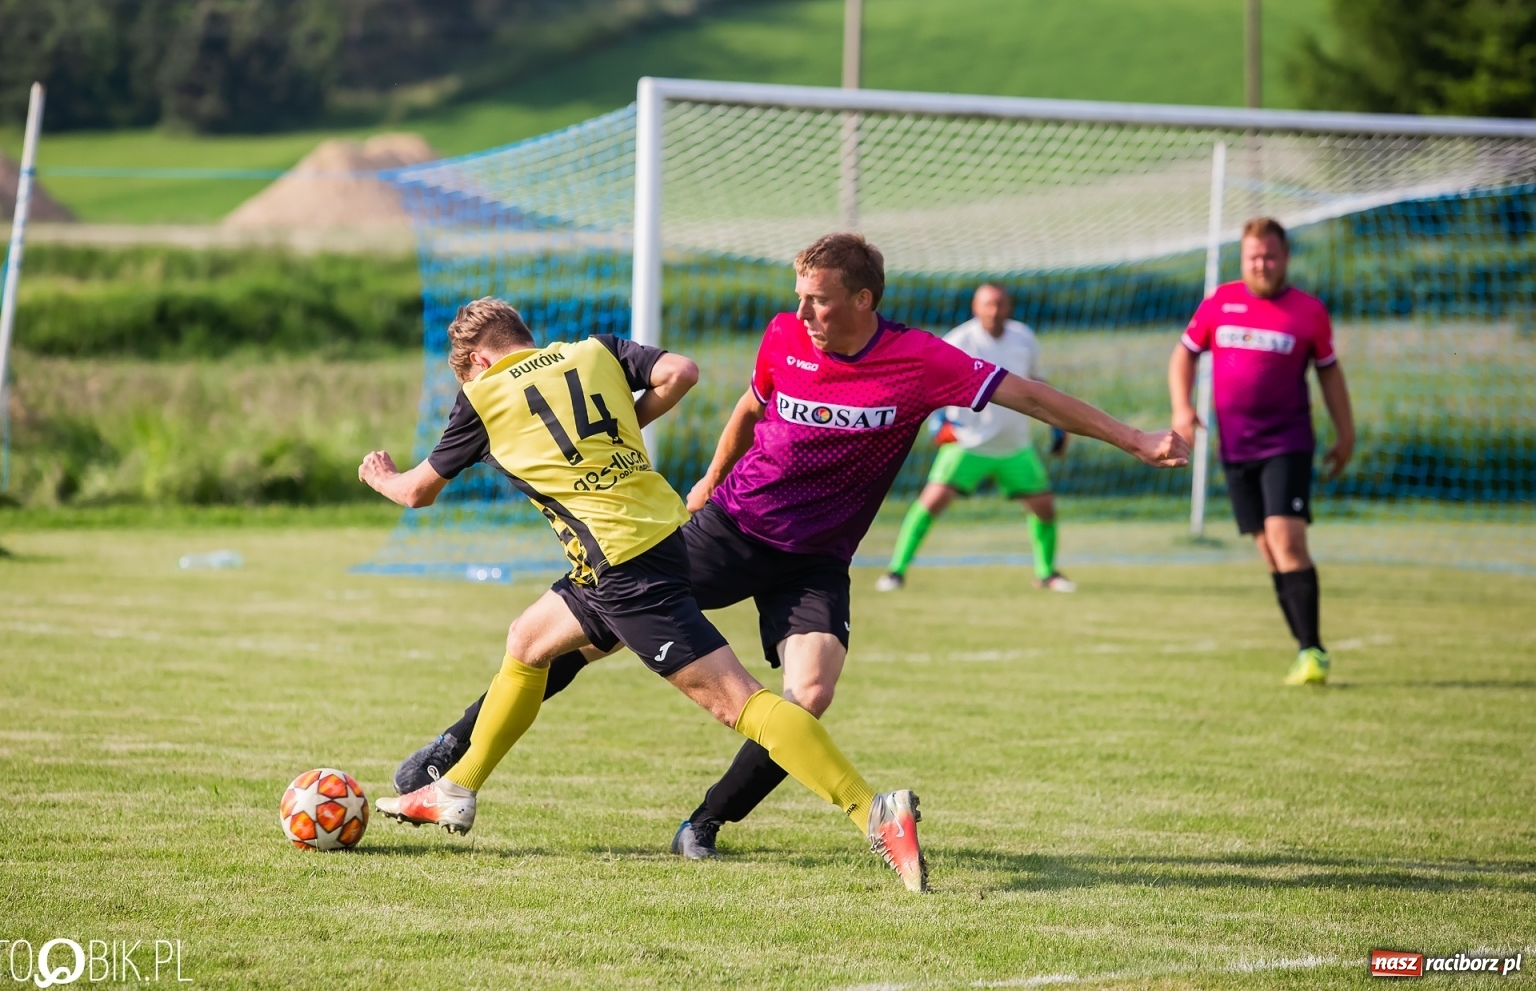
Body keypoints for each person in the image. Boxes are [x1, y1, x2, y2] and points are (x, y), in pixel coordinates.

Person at [397, 234, 1189, 861]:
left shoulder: (921, 363)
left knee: (807, 694)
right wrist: (708, 480)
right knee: (578, 631)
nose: (803, 312)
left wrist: (1135, 439)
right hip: (730, 528)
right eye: (799, 297)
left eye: (818, 299)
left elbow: (1033, 396)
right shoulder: (783, 337)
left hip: (815, 560)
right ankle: (451, 755)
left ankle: (704, 823)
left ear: (863, 299)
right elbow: (746, 408)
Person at [359, 296, 930, 891]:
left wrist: (382, 477)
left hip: (621, 564)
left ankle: (874, 813)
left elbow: (418, 493)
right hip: (659, 537)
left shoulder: (482, 398)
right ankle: (455, 788)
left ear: (477, 358)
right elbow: (680, 371)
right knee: (528, 642)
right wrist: (627, 425)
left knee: (736, 702)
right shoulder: (591, 351)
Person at [1169, 217, 1355, 686]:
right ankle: (1304, 651)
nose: (1262, 264)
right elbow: (1184, 354)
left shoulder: (1308, 312)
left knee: (1287, 539)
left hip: (1287, 443)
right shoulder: (1220, 303)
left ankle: (1313, 651)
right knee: (1270, 551)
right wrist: (1181, 408)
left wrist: (1345, 432)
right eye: (1253, 255)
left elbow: (1330, 372)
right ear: (1242, 258)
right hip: (1236, 447)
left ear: (1285, 257)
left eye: (1270, 255)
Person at [877, 283, 1075, 594]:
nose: (995, 311)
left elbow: (1038, 383)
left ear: (1009, 307)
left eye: (1000, 304)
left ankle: (1046, 573)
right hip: (968, 443)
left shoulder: (1023, 337)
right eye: (988, 304)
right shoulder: (959, 340)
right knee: (930, 503)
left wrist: (1058, 426)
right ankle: (895, 571)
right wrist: (938, 422)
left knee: (1044, 507)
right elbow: (928, 385)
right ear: (975, 307)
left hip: (1014, 445)